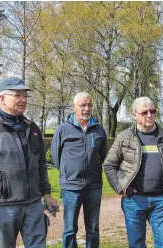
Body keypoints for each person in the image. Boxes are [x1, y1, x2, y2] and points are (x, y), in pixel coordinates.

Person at [0, 77, 59, 248]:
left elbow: (41, 164)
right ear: (2, 98)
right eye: (18, 95)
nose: (24, 99)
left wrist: (46, 195)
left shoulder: (32, 128)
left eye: (25, 95)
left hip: (33, 204)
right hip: (3, 206)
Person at [104, 96, 163, 248]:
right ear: (134, 114)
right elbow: (109, 164)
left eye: (152, 111)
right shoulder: (124, 137)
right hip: (134, 200)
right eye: (144, 112)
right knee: (136, 244)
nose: (149, 115)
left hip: (161, 200)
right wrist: (121, 187)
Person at [51, 92, 107, 248]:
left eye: (89, 105)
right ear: (74, 107)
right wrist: (69, 173)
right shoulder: (63, 129)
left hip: (94, 186)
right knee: (69, 229)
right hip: (71, 188)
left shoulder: (99, 130)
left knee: (93, 229)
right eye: (83, 105)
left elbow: (102, 156)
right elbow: (56, 157)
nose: (87, 108)